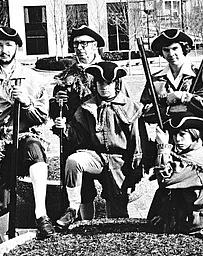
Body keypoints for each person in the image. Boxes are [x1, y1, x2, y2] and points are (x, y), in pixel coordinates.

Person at [0, 27, 53, 241]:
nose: (4, 50)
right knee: (0, 198)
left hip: (22, 138)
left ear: (17, 48)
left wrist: (27, 102)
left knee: (35, 149)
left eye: (9, 45)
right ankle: (7, 242)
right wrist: (4, 107)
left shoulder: (32, 78)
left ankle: (41, 216)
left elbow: (42, 116)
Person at [49, 25, 129, 219]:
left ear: (95, 46)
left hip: (107, 139)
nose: (80, 48)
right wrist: (57, 103)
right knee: (83, 189)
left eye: (85, 43)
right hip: (76, 138)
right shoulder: (66, 76)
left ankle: (114, 225)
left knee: (113, 188)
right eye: (76, 44)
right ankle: (85, 224)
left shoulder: (110, 71)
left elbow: (125, 107)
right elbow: (56, 111)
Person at [53, 62, 143, 230]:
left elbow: (136, 145)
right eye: (100, 83)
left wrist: (133, 174)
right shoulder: (87, 107)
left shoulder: (131, 108)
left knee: (117, 213)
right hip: (96, 156)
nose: (104, 87)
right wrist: (64, 128)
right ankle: (72, 208)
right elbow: (77, 136)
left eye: (108, 83)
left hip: (119, 161)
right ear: (95, 84)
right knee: (74, 161)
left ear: (116, 84)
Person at [140, 29, 203, 162]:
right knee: (168, 178)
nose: (171, 54)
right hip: (167, 142)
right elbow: (145, 111)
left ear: (184, 48)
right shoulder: (155, 79)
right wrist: (169, 108)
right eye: (166, 50)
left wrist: (184, 97)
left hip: (196, 141)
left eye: (175, 48)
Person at [147, 113, 203, 233]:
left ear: (195, 134)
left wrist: (163, 147)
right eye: (175, 135)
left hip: (202, 225)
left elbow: (165, 180)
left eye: (182, 134)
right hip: (191, 218)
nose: (177, 139)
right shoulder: (193, 151)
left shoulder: (194, 159)